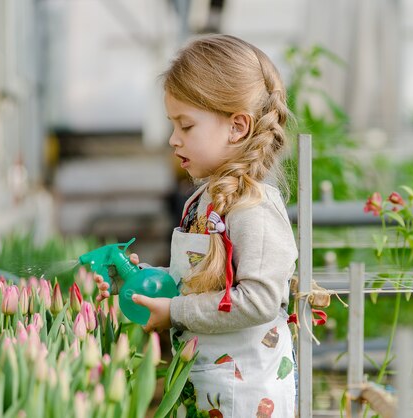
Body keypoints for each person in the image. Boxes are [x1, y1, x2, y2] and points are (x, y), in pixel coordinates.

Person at [95, 34, 297, 417]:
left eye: (186, 126)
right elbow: (198, 283)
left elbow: (259, 301)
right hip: (207, 387)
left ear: (237, 126)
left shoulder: (254, 208)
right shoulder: (201, 201)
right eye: (173, 126)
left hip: (249, 398)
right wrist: (143, 282)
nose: (173, 140)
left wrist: (175, 311)